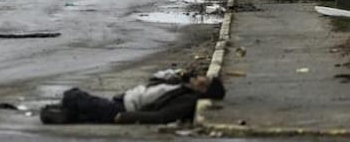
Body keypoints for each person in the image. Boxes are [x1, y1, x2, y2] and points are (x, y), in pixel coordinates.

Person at [39, 68, 225, 125]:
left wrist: (126, 117)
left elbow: (161, 117)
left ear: (204, 90)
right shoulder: (183, 87)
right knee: (84, 112)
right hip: (122, 101)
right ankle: (64, 115)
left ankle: (66, 112)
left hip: (123, 109)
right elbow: (155, 79)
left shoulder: (187, 99)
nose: (199, 77)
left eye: (204, 79)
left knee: (72, 95)